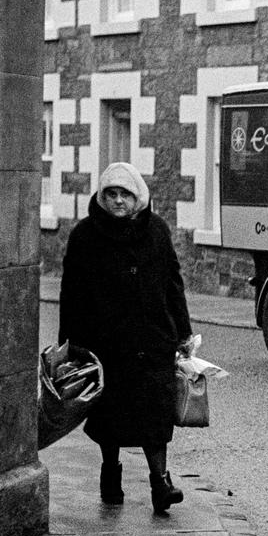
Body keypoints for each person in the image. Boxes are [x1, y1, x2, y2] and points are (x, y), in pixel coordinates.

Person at [59, 162, 194, 514]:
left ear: (138, 197)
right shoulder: (85, 236)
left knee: (156, 416)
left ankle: (160, 483)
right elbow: (71, 293)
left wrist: (183, 332)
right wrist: (69, 344)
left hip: (152, 341)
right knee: (110, 418)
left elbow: (172, 284)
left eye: (125, 194)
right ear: (102, 197)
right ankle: (110, 472)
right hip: (106, 343)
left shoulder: (157, 231)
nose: (119, 201)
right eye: (112, 194)